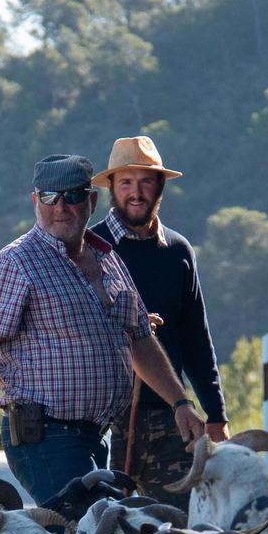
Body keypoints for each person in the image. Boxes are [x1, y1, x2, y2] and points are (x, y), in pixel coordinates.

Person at [0, 153, 207, 504]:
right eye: (50, 197)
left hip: (96, 437)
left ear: (92, 200)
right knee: (96, 529)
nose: (61, 207)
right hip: (45, 438)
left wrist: (180, 403)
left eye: (72, 196)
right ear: (36, 201)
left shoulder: (107, 258)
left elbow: (140, 340)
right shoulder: (15, 264)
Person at [87, 136, 227, 504]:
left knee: (180, 526)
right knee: (108, 530)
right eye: (126, 183)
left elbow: (196, 339)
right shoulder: (88, 248)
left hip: (173, 418)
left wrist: (215, 413)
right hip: (104, 420)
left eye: (146, 181)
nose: (136, 192)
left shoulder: (179, 252)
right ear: (111, 189)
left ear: (160, 187)